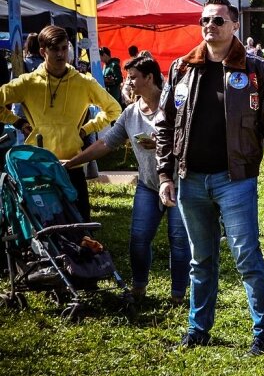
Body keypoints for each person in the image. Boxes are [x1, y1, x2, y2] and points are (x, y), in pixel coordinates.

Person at [156, 0, 264, 355]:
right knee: (200, 260)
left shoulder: (256, 70)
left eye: (219, 20)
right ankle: (197, 330)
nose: (210, 26)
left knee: (247, 258)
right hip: (190, 180)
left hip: (236, 180)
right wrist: (164, 175)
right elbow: (165, 126)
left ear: (235, 26)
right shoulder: (182, 68)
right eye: (205, 20)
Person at [63, 56, 190, 305]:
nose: (128, 82)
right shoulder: (131, 113)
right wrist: (73, 162)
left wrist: (163, 144)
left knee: (179, 241)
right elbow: (105, 143)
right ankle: (139, 288)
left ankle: (178, 296)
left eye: (132, 77)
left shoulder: (175, 106)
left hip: (178, 184)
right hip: (148, 185)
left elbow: (192, 142)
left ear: (149, 78)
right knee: (139, 239)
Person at [0, 25, 122, 221]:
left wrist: (85, 130)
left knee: (82, 227)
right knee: (41, 229)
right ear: (42, 51)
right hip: (37, 166)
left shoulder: (84, 82)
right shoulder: (28, 82)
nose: (61, 54)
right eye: (55, 49)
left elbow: (114, 109)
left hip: (71, 165)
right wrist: (17, 121)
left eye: (64, 48)